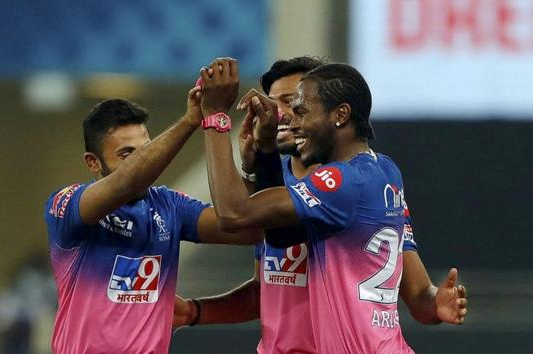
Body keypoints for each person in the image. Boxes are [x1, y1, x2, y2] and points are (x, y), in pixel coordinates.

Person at [176, 56, 469, 353]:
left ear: (339, 113)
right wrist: (264, 154)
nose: (285, 117)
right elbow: (278, 236)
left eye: (297, 105)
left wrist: (215, 117)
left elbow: (234, 214)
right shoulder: (381, 171)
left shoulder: (341, 183)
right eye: (272, 103)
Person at [44, 90, 260, 354]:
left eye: (145, 150)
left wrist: (256, 165)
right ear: (93, 162)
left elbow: (246, 226)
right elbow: (127, 182)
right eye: (127, 154)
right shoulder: (68, 205)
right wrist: (191, 120)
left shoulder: (170, 205)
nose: (143, 160)